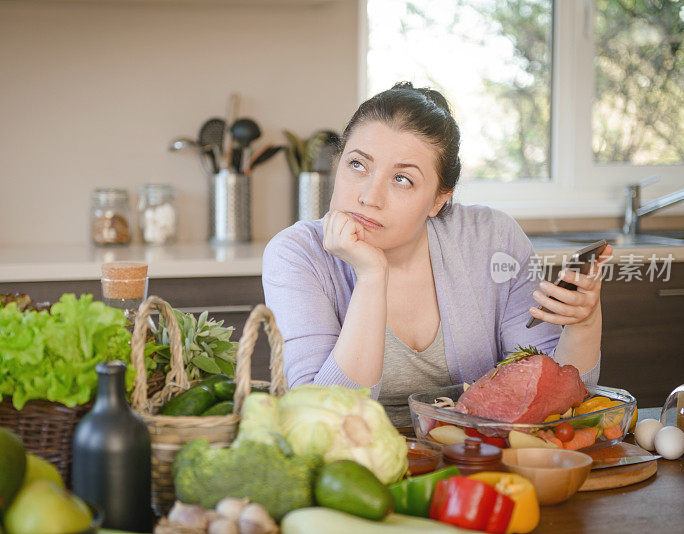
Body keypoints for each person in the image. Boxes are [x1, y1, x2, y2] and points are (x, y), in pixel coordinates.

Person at [262, 82, 613, 426]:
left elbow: (559, 401)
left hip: (475, 461)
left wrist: (584, 324)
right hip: (352, 471)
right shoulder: (297, 254)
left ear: (438, 199)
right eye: (357, 165)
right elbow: (320, 418)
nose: (370, 196)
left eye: (402, 179)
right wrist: (370, 277)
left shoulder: (492, 239)